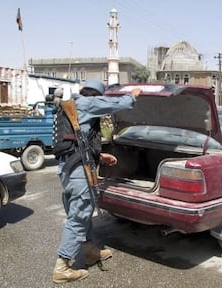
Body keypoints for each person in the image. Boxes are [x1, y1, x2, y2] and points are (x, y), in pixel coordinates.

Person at [52, 79, 141, 283]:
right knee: (79, 215)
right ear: (97, 95)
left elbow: (77, 142)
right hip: (77, 172)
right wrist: (133, 95)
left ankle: (90, 250)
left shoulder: (70, 108)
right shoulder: (86, 103)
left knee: (81, 213)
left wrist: (100, 157)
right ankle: (62, 266)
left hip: (68, 169)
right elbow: (120, 105)